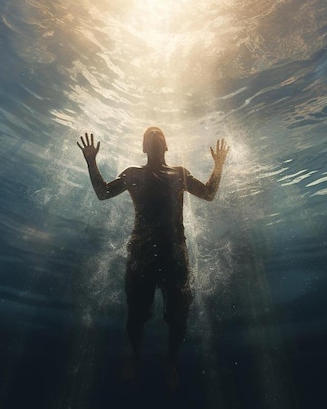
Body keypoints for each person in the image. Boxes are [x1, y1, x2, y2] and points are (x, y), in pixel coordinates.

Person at [77, 127, 229, 390]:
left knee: (178, 315)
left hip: (175, 254)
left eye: (159, 134)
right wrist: (92, 162)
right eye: (150, 135)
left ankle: (171, 361)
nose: (155, 135)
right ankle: (135, 356)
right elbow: (103, 193)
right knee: (136, 315)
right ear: (144, 147)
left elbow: (209, 194)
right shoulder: (132, 174)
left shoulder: (179, 174)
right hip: (141, 253)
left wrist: (218, 166)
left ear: (166, 146)